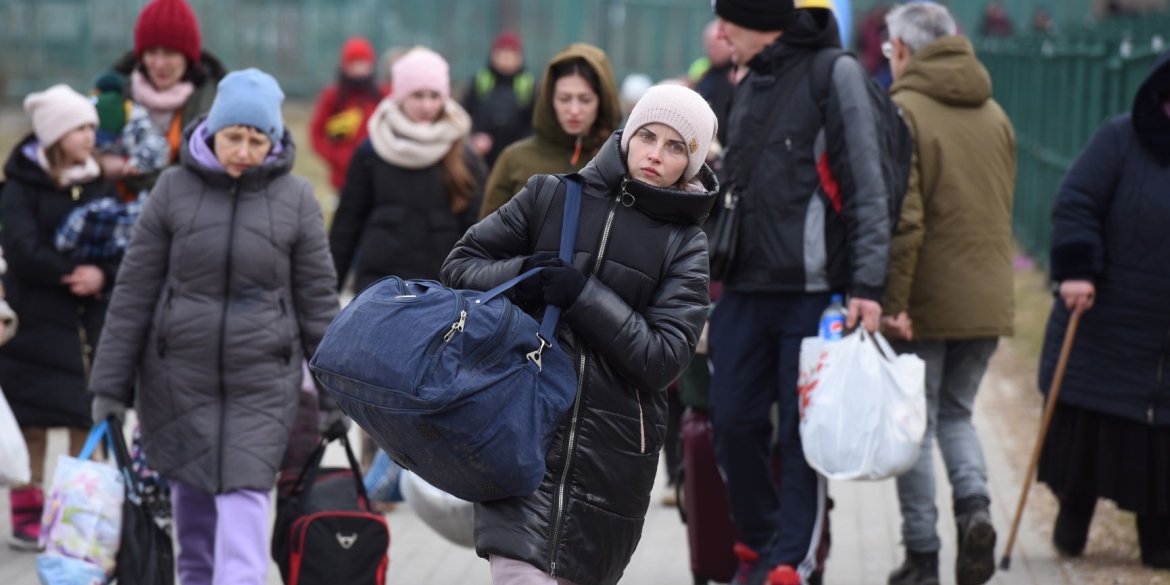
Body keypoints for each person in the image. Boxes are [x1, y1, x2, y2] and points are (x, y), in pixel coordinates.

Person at [442, 84, 719, 585]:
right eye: (648, 136)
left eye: (676, 147)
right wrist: (524, 273)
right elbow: (458, 268)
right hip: (524, 434)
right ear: (628, 133)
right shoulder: (551, 195)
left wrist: (582, 296)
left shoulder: (687, 245)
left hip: (610, 462)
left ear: (692, 163)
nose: (655, 154)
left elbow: (663, 359)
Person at [87, 69, 341, 585]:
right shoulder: (172, 191)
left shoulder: (295, 198)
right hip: (178, 384)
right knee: (195, 535)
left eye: (257, 139)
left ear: (273, 141)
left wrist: (338, 398)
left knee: (246, 516)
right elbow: (133, 292)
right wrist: (108, 388)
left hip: (262, 386)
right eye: (234, 136)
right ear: (211, 131)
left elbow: (319, 303)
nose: (244, 150)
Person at [708, 0, 893, 583]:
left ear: (752, 19)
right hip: (741, 286)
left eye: (726, 21)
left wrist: (867, 283)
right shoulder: (747, 79)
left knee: (800, 436)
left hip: (814, 293)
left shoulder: (833, 73)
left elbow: (867, 184)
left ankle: (791, 561)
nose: (719, 34)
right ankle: (761, 543)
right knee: (732, 422)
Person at [877, 4, 1017, 585]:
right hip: (987, 298)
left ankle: (923, 554)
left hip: (925, 300)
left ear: (905, 50)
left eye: (889, 50)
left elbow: (906, 221)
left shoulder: (903, 111)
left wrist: (892, 304)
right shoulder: (995, 113)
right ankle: (977, 506)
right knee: (956, 413)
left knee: (916, 425)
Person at [1035, 50, 1170, 572]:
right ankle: (1074, 514)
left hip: (1163, 342)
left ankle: (1157, 535)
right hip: (1106, 327)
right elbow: (1076, 203)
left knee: (1159, 443)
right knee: (1090, 429)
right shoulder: (1119, 139)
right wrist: (1077, 269)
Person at [0, 85, 120, 550]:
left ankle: (77, 513)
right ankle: (28, 511)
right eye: (81, 128)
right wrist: (72, 270)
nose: (92, 136)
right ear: (55, 134)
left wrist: (101, 274)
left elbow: (120, 247)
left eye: (93, 126)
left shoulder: (99, 183)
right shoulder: (20, 187)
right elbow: (22, 248)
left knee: (84, 421)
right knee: (31, 423)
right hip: (31, 325)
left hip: (84, 328)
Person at [329, 48, 486, 293]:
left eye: (435, 96)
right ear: (400, 96)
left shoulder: (463, 155)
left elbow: (478, 230)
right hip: (380, 289)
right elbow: (347, 226)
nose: (427, 105)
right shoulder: (372, 152)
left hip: (443, 290)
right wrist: (327, 294)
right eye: (418, 95)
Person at [477, 43, 621, 220]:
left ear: (602, 101)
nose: (574, 110)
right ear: (549, 100)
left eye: (585, 99)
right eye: (564, 98)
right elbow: (487, 240)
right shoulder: (514, 159)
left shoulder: (619, 162)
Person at [109, 0, 227, 194]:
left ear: (187, 56)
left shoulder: (215, 104)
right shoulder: (113, 97)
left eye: (170, 53)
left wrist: (138, 179)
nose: (159, 63)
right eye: (151, 52)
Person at [310, 36, 390, 196]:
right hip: (342, 178)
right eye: (354, 63)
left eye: (363, 63)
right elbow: (316, 133)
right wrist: (336, 158)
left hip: (379, 174)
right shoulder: (333, 97)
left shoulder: (383, 96)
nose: (359, 69)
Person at [463, 32, 537, 167]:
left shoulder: (528, 83)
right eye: (502, 53)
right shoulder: (481, 79)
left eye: (512, 54)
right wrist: (475, 136)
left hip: (517, 156)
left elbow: (534, 120)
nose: (506, 58)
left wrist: (523, 145)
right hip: (482, 156)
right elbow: (466, 113)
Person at [694, 20, 736, 146]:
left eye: (716, 45)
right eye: (709, 45)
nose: (711, 50)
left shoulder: (737, 75)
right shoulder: (705, 73)